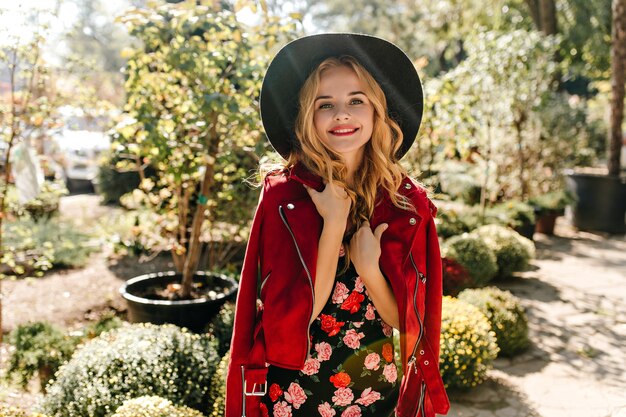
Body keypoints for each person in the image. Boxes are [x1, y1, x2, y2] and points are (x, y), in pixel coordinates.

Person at [225, 33, 450, 417]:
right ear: (306, 117)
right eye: (325, 103)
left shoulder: (403, 202)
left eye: (356, 101)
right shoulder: (285, 198)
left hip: (373, 388)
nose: (342, 114)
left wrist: (369, 269)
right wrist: (333, 225)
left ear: (378, 111)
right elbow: (289, 322)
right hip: (295, 392)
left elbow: (406, 321)